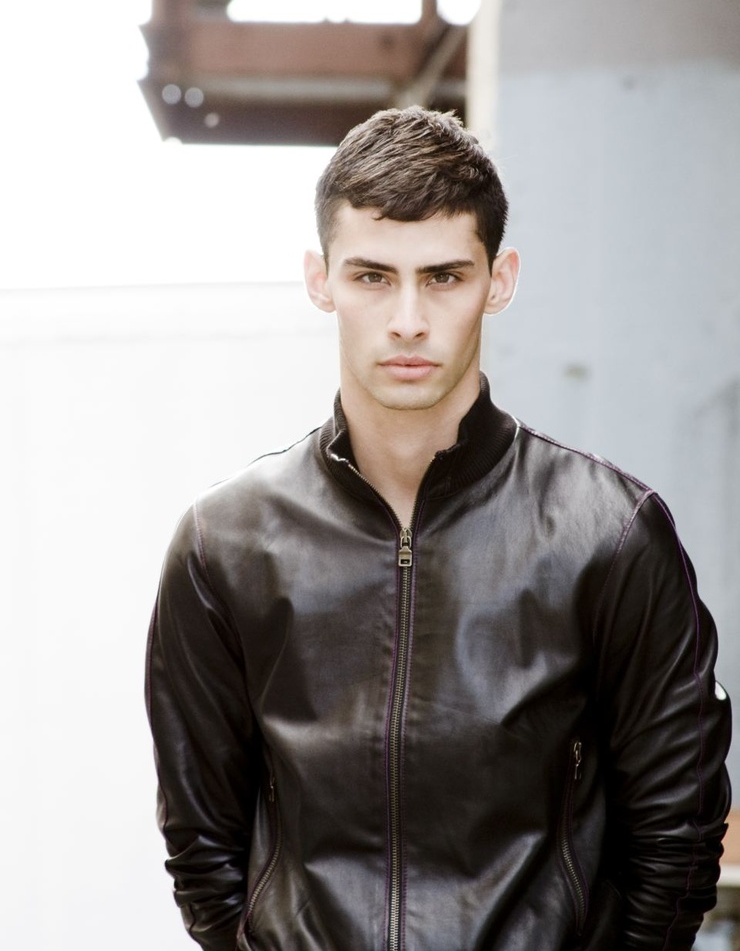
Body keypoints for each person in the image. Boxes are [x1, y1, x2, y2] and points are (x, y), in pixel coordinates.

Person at [146, 106, 731, 951]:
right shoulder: (225, 543)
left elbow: (678, 834)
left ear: (500, 280)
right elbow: (202, 843)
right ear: (320, 280)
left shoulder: (607, 534)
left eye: (445, 276)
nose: (409, 319)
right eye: (372, 276)